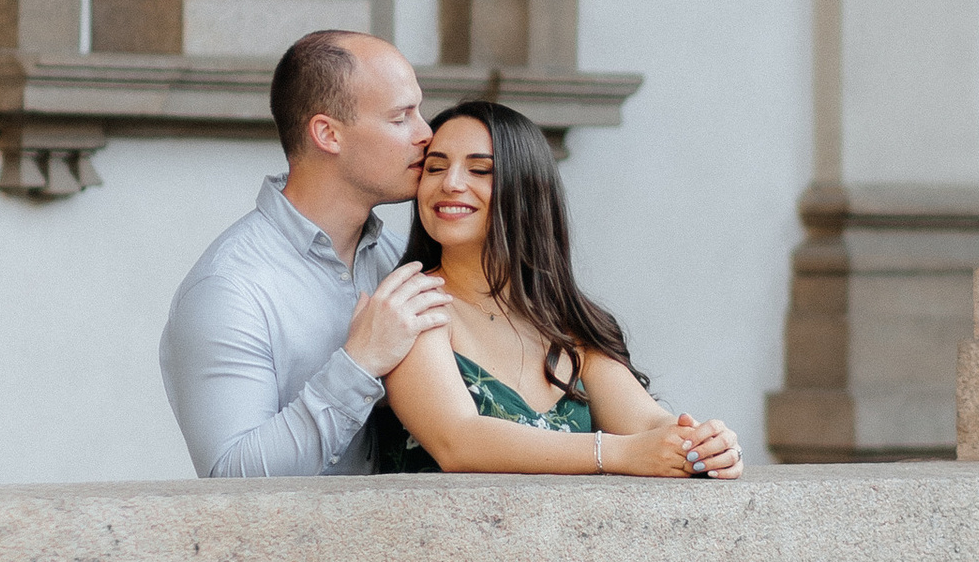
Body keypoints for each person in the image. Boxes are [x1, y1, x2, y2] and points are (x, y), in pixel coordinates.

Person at [373, 100, 742, 476]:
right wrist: (614, 453)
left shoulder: (565, 323)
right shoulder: (411, 309)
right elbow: (458, 441)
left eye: (480, 170)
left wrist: (703, 444)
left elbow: (647, 424)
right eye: (435, 168)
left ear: (527, 190)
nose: (450, 183)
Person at [161, 32, 448, 475]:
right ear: (328, 134)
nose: (426, 134)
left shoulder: (404, 260)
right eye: (401, 118)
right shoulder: (229, 288)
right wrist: (360, 363)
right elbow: (231, 477)